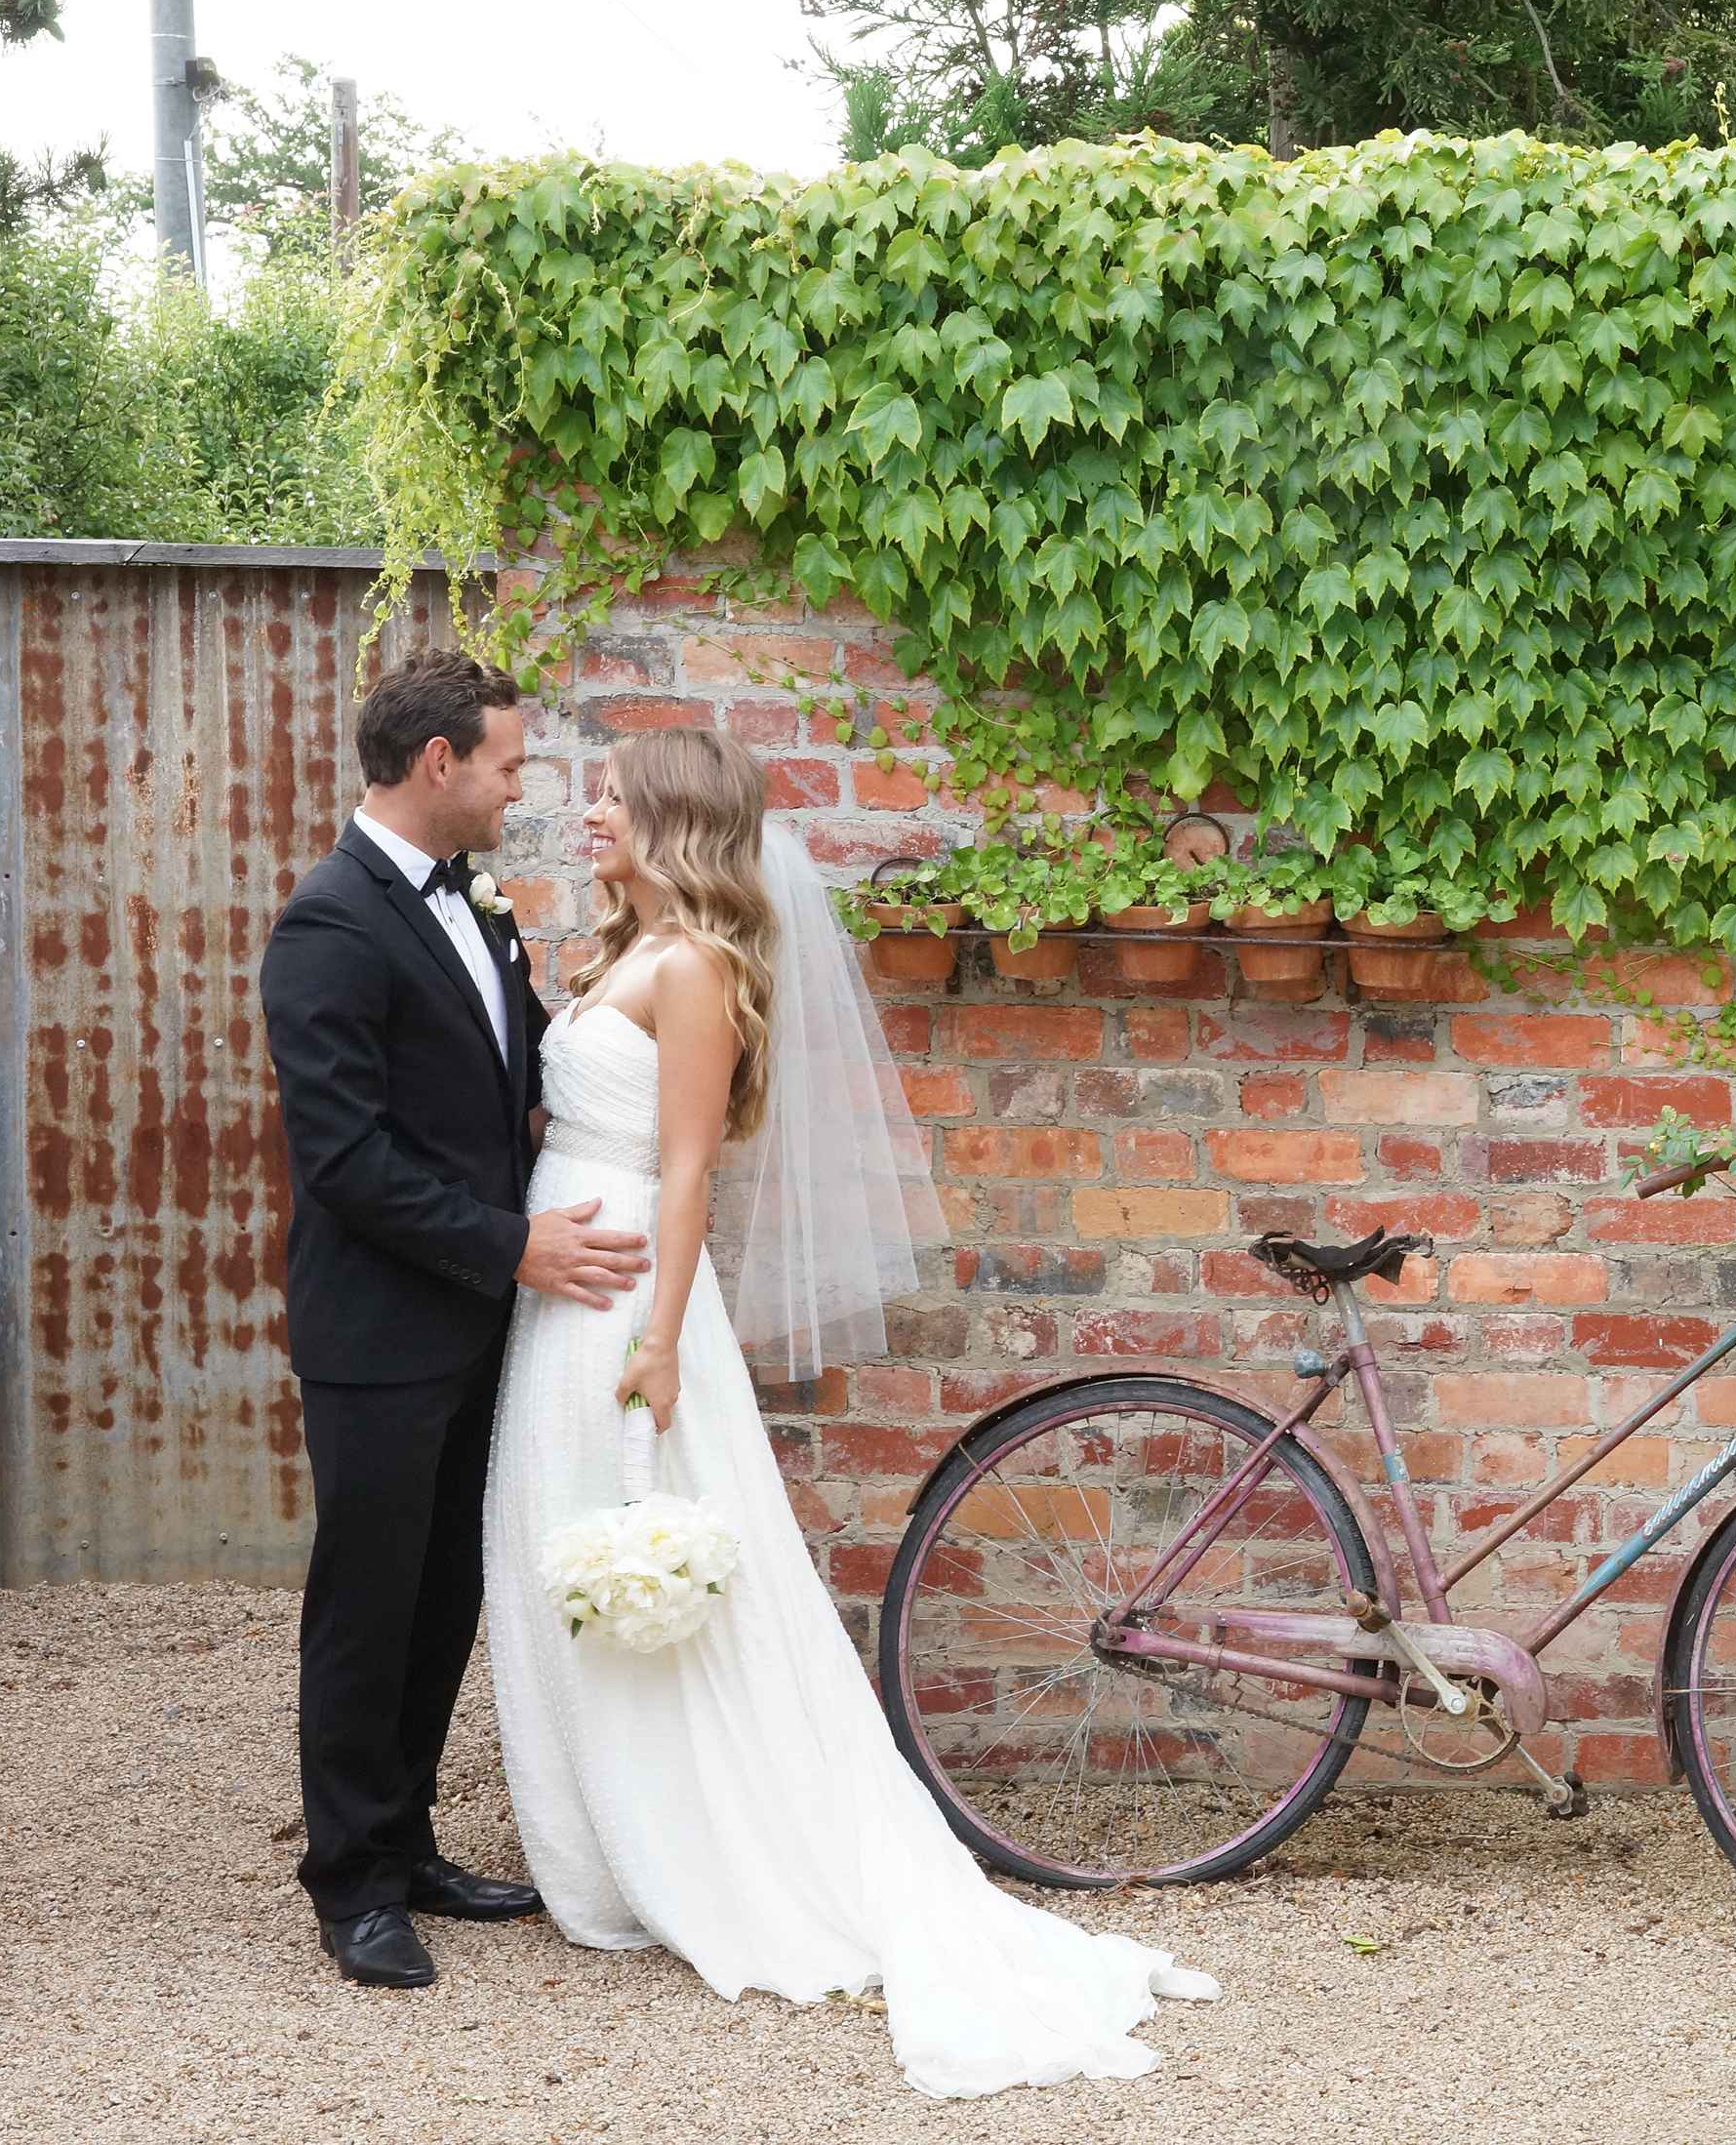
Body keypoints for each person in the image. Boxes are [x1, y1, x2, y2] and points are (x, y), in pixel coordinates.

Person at [478, 726, 1216, 2097]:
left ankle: (701, 1849)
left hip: (625, 1291)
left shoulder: (693, 967)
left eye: (612, 799)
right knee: (555, 1540)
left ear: (673, 821)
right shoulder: (618, 953)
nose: (587, 812)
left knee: (633, 1546)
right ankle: (614, 1843)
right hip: (562, 1279)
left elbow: (688, 1170)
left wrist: (656, 1342)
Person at [259, 650, 652, 1989]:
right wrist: (513, 1243)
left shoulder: (476, 903)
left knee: (446, 1594)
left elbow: (520, 1071)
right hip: (378, 1333)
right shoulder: (328, 923)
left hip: (485, 1317)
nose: (515, 785)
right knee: (368, 1603)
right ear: (439, 764)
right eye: (504, 762)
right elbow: (345, 1157)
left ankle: (408, 1834)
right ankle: (351, 1882)